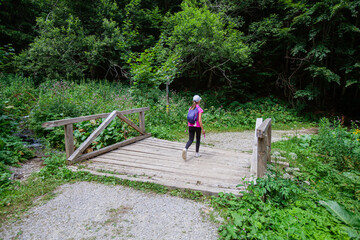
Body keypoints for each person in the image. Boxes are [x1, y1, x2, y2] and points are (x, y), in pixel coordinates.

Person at [182, 95, 205, 160]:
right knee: (198, 139)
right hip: (197, 126)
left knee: (190, 139)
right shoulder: (200, 109)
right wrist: (203, 129)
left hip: (190, 125)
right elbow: (200, 120)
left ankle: (185, 148)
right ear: (199, 101)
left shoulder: (190, 108)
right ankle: (197, 153)